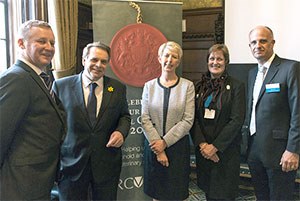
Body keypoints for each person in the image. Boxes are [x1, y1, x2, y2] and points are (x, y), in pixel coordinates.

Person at [52, 41, 131, 200]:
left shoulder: (117, 88)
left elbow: (125, 116)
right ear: (84, 60)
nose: (98, 65)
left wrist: (121, 132)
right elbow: (52, 125)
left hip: (106, 163)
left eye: (103, 61)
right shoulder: (61, 86)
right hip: (71, 164)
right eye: (94, 60)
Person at [0, 20, 66, 200]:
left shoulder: (40, 78)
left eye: (52, 43)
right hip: (19, 185)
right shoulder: (16, 78)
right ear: (21, 43)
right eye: (41, 41)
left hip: (36, 181)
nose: (49, 47)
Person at [245, 25, 300, 200]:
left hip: (280, 152)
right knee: (261, 197)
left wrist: (293, 149)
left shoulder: (290, 68)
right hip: (254, 149)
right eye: (253, 42)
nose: (258, 45)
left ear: (272, 43)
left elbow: (298, 111)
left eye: (263, 41)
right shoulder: (252, 73)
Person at [190, 44, 246, 200]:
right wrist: (203, 146)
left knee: (224, 194)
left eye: (219, 59)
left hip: (225, 152)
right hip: (203, 151)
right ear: (207, 61)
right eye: (212, 58)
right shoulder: (199, 86)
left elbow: (237, 120)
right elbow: (192, 118)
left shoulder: (236, 86)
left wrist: (215, 148)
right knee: (208, 192)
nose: (215, 62)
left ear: (226, 61)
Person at [141, 41, 195, 200]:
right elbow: (144, 118)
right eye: (166, 55)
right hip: (153, 147)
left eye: (174, 57)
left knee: (176, 194)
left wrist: (164, 143)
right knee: (156, 194)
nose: (169, 60)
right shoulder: (149, 86)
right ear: (159, 58)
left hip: (177, 149)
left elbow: (188, 120)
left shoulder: (188, 86)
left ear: (178, 61)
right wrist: (159, 147)